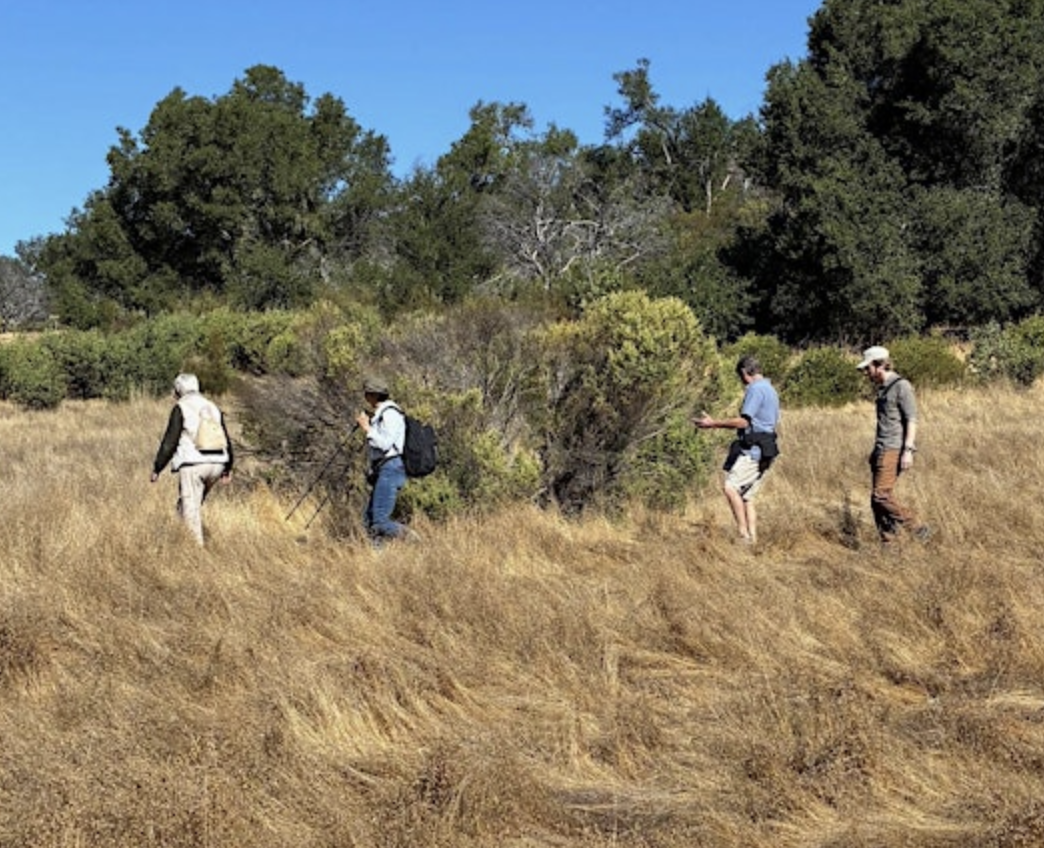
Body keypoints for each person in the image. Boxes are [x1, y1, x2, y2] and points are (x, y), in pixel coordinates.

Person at [694, 355, 780, 545]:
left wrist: (713, 423)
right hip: (766, 450)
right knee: (747, 496)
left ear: (744, 373)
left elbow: (744, 421)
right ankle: (753, 540)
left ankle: (743, 535)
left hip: (754, 452)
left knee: (730, 488)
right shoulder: (770, 389)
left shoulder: (755, 390)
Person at [857, 346, 930, 545]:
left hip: (894, 448)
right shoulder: (882, 388)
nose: (865, 373)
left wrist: (908, 451)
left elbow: (912, 419)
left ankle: (916, 526)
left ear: (878, 365)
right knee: (876, 502)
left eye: (867, 368)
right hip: (881, 448)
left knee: (881, 496)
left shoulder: (901, 386)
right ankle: (888, 544)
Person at [150, 373, 233, 546]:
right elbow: (225, 437)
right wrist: (228, 466)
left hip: (194, 464)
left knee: (191, 510)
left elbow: (169, 442)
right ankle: (174, 540)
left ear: (178, 390)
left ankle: (195, 553)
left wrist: (158, 468)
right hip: (217, 464)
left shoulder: (181, 406)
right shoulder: (212, 406)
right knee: (188, 505)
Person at [355, 377, 410, 544]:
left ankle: (413, 539)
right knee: (369, 520)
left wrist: (367, 428)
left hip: (391, 468)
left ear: (372, 395)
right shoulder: (383, 414)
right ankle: (377, 559)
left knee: (380, 521)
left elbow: (385, 444)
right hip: (384, 469)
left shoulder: (390, 414)